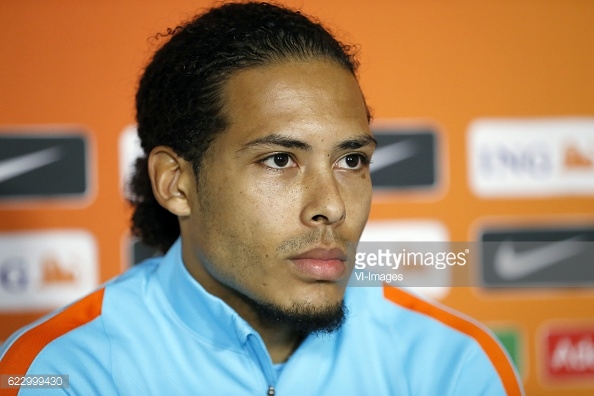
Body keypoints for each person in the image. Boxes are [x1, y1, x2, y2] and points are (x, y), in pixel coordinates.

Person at [0, 2, 523, 395]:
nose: (332, 207)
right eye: (279, 160)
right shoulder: (60, 369)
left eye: (351, 161)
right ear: (176, 183)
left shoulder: (451, 364)